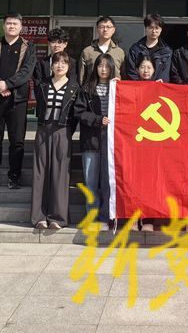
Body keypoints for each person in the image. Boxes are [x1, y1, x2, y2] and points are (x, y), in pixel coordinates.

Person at [0, 12, 37, 189]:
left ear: (21, 27)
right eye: (9, 23)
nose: (11, 26)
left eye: (15, 24)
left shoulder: (29, 47)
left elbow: (27, 71)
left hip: (17, 101)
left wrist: (8, 84)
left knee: (17, 140)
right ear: (4, 26)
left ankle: (15, 176)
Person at [31, 51, 81, 231]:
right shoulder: (42, 85)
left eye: (64, 63)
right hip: (43, 130)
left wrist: (67, 131)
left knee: (60, 173)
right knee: (40, 172)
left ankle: (57, 218)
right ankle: (39, 217)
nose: (60, 66)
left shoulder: (75, 87)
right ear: (51, 66)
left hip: (63, 131)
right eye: (57, 62)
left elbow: (75, 114)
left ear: (69, 66)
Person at [76, 53, 116, 227]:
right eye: (100, 66)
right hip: (91, 140)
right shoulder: (86, 89)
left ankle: (106, 217)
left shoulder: (118, 88)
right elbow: (79, 112)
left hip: (112, 142)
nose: (104, 69)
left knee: (108, 181)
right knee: (91, 182)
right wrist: (98, 119)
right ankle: (92, 217)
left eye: (107, 66)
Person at [33, 26, 76, 104]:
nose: (56, 45)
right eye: (53, 42)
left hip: (66, 103)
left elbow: (73, 83)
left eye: (59, 42)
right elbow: (38, 85)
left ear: (65, 44)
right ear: (49, 43)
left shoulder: (72, 63)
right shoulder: (40, 63)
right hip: (46, 102)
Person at [79, 16, 126, 85]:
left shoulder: (120, 52)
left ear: (113, 30)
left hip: (114, 90)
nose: (105, 30)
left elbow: (124, 76)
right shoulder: (87, 51)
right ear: (97, 29)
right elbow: (81, 77)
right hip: (92, 90)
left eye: (108, 27)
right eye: (102, 27)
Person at [126, 13, 171, 81]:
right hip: (139, 86)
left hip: (158, 86)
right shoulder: (135, 49)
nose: (154, 31)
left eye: (157, 28)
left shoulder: (167, 51)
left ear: (161, 30)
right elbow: (131, 72)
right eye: (151, 27)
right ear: (146, 28)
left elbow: (165, 73)